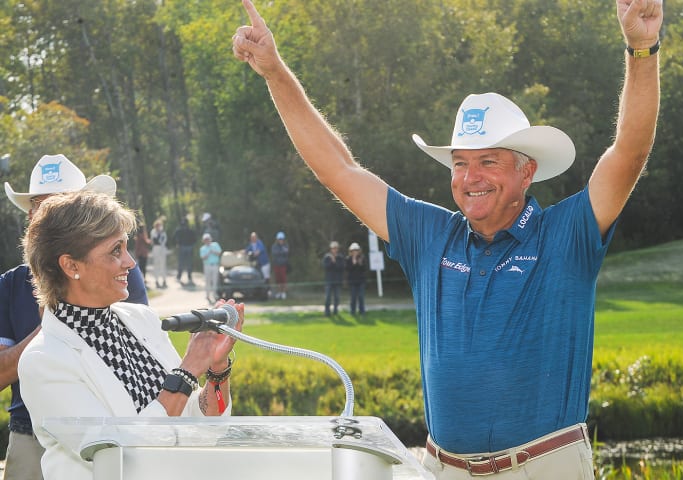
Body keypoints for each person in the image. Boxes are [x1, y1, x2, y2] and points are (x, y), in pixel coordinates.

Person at [233, 0, 661, 476]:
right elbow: (337, 167)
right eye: (460, 163)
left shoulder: (567, 232)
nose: (470, 177)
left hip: (542, 468)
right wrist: (274, 73)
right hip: (443, 468)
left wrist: (641, 48)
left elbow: (630, 149)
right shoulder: (429, 235)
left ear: (527, 172)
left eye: (488, 162)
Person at [17, 191, 242, 480]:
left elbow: (203, 427)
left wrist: (216, 369)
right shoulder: (42, 361)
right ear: (71, 265)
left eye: (126, 247)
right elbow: (117, 456)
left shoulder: (142, 320)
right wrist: (186, 372)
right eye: (115, 251)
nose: (130, 262)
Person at [0, 154, 149, 480]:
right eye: (42, 206)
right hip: (29, 434)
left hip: (110, 430)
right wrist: (50, 327)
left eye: (66, 204)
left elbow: (137, 351)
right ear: (31, 216)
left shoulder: (121, 274)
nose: (53, 214)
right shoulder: (10, 284)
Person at [322, 241, 346, 316]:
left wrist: (334, 261)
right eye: (333, 248)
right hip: (329, 281)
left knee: (337, 297)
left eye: (336, 248)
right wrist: (332, 262)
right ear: (331, 249)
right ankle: (327, 311)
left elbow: (341, 267)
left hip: (337, 281)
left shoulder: (340, 257)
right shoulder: (327, 257)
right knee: (327, 297)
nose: (334, 249)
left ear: (337, 249)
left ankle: (335, 311)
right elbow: (325, 267)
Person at [199, 233, 223, 305]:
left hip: (215, 265)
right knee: (207, 280)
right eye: (205, 240)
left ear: (210, 239)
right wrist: (209, 253)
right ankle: (207, 295)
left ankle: (215, 294)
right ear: (204, 240)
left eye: (208, 239)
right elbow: (203, 257)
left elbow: (219, 253)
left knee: (215, 280)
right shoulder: (202, 248)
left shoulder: (215, 245)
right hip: (207, 265)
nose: (207, 241)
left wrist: (213, 251)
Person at [173, 217, 197, 286]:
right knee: (185, 263)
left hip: (185, 247)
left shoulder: (180, 230)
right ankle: (184, 277)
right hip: (185, 247)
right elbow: (195, 239)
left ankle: (182, 276)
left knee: (184, 263)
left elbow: (174, 238)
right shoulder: (183, 230)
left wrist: (177, 244)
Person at [345, 242, 367, 316]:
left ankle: (362, 311)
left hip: (361, 281)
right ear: (351, 251)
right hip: (352, 281)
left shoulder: (362, 258)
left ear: (359, 251)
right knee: (353, 297)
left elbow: (364, 269)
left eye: (356, 250)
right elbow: (347, 269)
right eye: (353, 250)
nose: (355, 252)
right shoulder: (348, 259)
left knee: (361, 297)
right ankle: (352, 311)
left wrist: (360, 264)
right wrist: (353, 263)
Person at [270, 231, 290, 299]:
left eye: (282, 239)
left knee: (283, 280)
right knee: (278, 280)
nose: (281, 240)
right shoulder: (274, 246)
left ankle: (283, 293)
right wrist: (282, 252)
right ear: (277, 239)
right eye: (279, 239)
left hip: (283, 265)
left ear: (283, 239)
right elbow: (275, 253)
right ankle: (279, 292)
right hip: (277, 265)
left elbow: (286, 253)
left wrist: (281, 252)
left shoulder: (286, 245)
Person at [150, 219, 169, 288]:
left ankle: (164, 280)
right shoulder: (153, 232)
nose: (159, 227)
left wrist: (161, 233)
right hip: (156, 249)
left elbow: (164, 241)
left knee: (163, 265)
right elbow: (155, 240)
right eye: (158, 226)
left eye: (160, 225)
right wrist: (159, 233)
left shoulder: (163, 232)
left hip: (162, 249)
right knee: (156, 265)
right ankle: (157, 280)